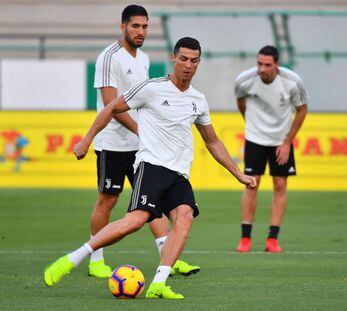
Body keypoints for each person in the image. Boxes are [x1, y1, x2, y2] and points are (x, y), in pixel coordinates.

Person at [44, 37, 257, 299]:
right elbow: (112, 107)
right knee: (135, 221)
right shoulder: (151, 88)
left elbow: (212, 141)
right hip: (151, 166)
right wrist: (87, 140)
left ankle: (158, 283)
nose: (188, 65)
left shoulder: (198, 100)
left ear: (198, 63)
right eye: (183, 59)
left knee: (185, 217)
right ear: (173, 58)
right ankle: (73, 258)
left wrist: (238, 174)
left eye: (193, 60)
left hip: (179, 174)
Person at [89, 5, 199, 278]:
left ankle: (167, 255)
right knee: (108, 200)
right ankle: (95, 259)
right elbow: (110, 104)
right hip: (113, 142)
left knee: (152, 203)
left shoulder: (145, 59)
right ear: (123, 26)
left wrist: (145, 132)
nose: (141, 31)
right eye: (136, 26)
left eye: (145, 26)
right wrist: (141, 130)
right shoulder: (109, 57)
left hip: (141, 146)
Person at [234, 46, 308, 253]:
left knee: (280, 184)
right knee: (251, 185)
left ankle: (272, 239)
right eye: (259, 63)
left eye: (267, 65)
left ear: (276, 64)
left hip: (281, 140)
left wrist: (287, 142)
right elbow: (241, 103)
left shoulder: (293, 82)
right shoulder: (244, 81)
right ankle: (245, 239)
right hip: (255, 138)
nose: (262, 69)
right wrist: (252, 125)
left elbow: (302, 111)